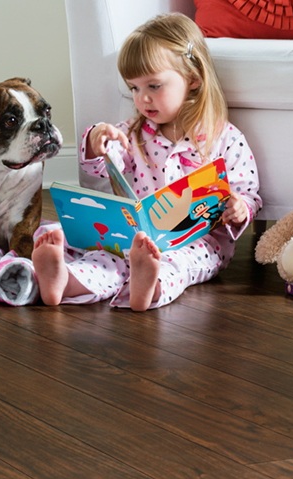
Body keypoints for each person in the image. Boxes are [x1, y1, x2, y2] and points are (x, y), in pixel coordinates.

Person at [32, 13, 262, 311]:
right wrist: (96, 142)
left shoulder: (224, 137)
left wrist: (239, 207)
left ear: (193, 80)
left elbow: (248, 192)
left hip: (198, 242)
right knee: (104, 259)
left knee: (178, 264)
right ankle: (65, 280)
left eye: (154, 86)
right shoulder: (131, 133)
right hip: (131, 236)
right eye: (134, 88)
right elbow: (101, 170)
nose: (143, 99)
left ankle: (148, 287)